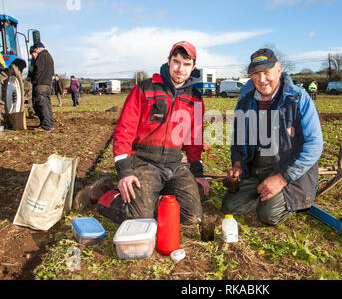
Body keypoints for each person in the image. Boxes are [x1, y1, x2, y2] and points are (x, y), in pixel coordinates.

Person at [88, 41, 210, 225]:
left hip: (175, 163)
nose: (180, 69)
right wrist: (124, 172)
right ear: (168, 61)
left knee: (191, 217)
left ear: (193, 67)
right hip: (144, 161)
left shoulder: (195, 98)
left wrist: (198, 173)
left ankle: (152, 197)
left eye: (186, 64)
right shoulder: (145, 88)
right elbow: (124, 130)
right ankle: (107, 194)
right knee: (139, 217)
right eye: (176, 62)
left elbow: (194, 139)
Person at [221, 48, 323, 225]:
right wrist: (237, 165)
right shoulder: (245, 102)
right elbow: (239, 139)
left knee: (268, 216)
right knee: (230, 206)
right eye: (256, 74)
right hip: (258, 168)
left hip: (289, 169)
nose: (261, 80)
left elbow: (314, 145)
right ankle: (263, 192)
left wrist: (282, 178)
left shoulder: (298, 99)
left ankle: (288, 196)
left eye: (266, 72)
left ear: (279, 70)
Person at [30, 42, 54, 131]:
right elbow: (52, 72)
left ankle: (46, 126)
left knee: (41, 104)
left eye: (35, 49)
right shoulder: (49, 56)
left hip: (40, 84)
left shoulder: (41, 56)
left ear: (38, 48)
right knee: (47, 104)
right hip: (47, 84)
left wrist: (34, 80)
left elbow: (38, 69)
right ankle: (50, 123)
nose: (35, 51)